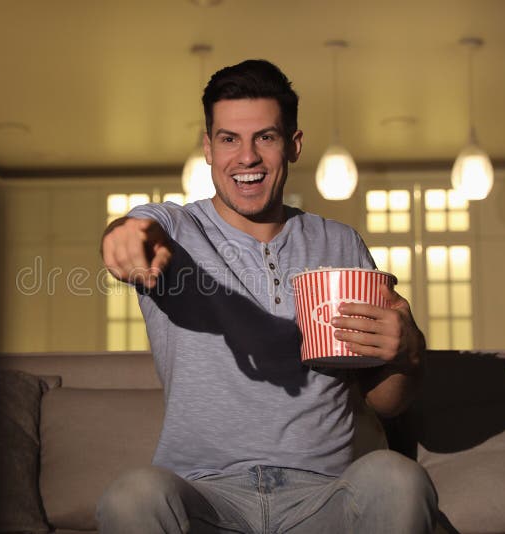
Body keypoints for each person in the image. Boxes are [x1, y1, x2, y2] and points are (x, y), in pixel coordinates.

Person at [98, 59, 437, 533]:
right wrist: (124, 237)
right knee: (132, 495)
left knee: (399, 477)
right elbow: (134, 228)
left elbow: (384, 402)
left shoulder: (341, 243)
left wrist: (407, 353)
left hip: (325, 494)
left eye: (266, 137)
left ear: (293, 145)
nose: (247, 157)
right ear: (208, 148)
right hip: (207, 495)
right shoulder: (178, 230)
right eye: (229, 138)